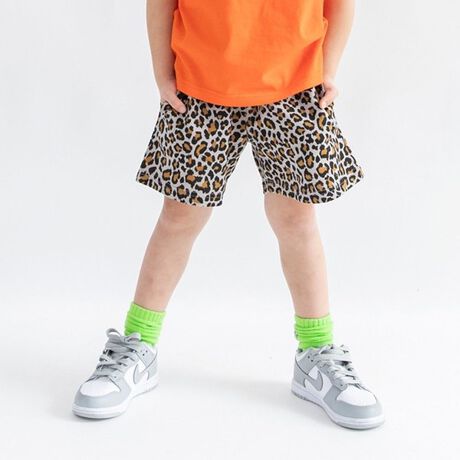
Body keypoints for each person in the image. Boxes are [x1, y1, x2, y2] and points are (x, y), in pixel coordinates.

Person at [73, 0, 384, 429]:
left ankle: (316, 351)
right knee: (180, 217)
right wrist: (162, 73)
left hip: (296, 85)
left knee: (296, 219)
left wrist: (328, 68)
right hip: (200, 87)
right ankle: (138, 343)